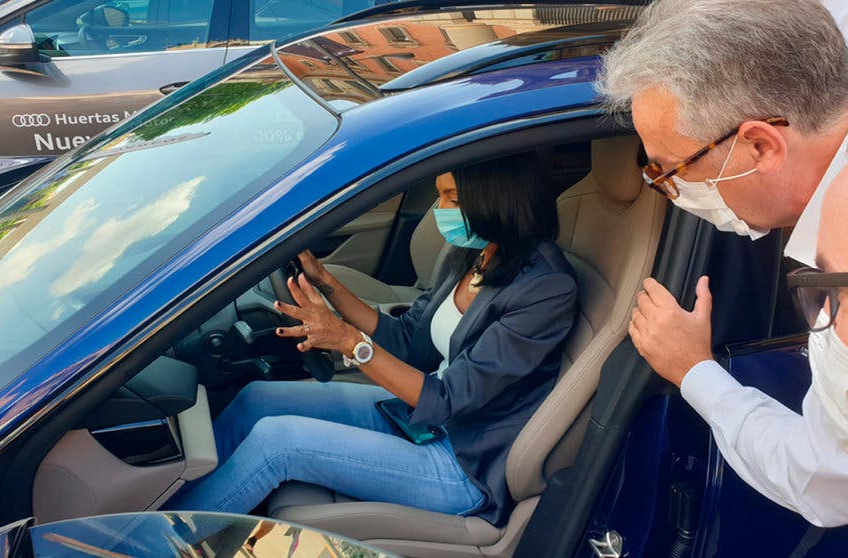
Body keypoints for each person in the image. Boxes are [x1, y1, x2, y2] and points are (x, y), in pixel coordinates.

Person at [167, 151, 578, 526]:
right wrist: (325, 282)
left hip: (462, 464)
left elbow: (448, 398)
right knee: (256, 398)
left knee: (279, 443)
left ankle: (156, 544)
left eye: (453, 198)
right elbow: (406, 337)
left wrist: (349, 342)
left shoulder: (545, 290)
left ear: (496, 197)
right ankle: (161, 510)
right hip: (421, 420)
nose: (442, 211)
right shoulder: (477, 253)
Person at [597, 0, 848, 526]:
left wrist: (693, 370)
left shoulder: (842, 268)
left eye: (671, 170)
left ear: (759, 145)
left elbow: (826, 482)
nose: (671, 191)